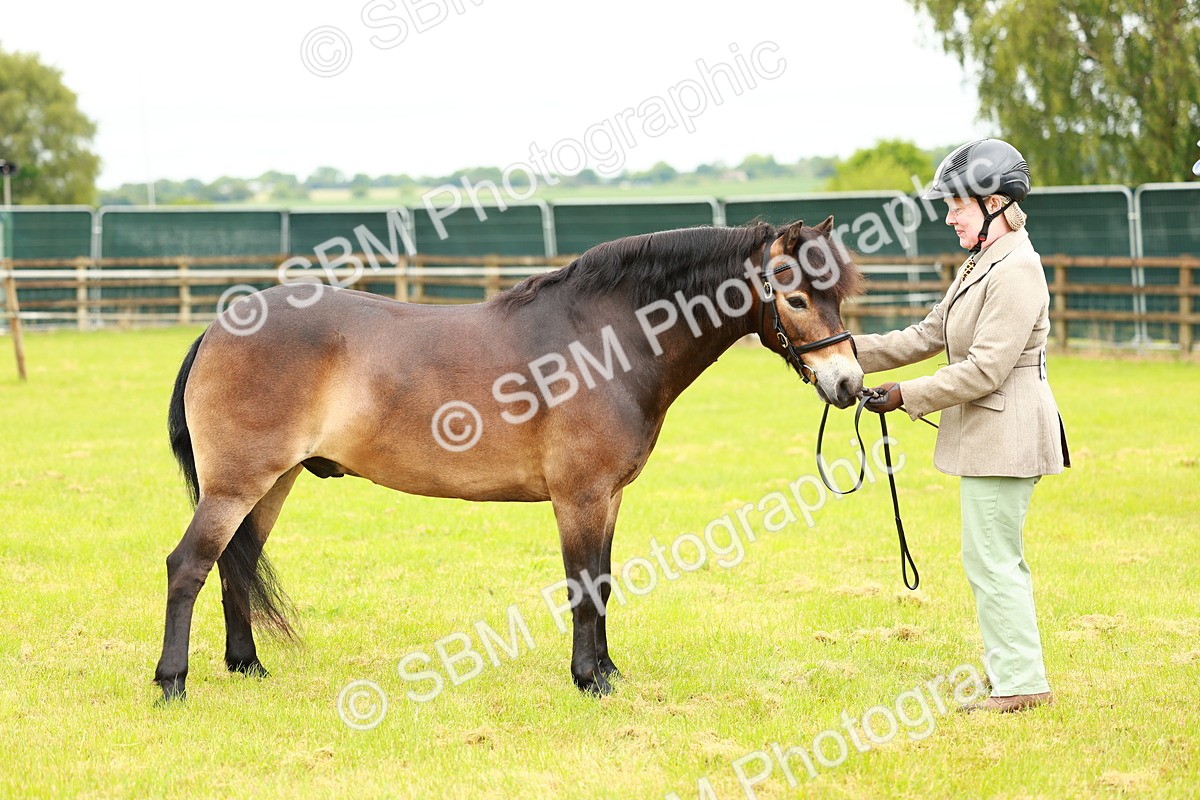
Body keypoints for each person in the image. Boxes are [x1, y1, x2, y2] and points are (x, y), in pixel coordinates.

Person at [854, 138, 1070, 713]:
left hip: (1008, 434)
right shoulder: (982, 261)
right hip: (990, 434)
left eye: (958, 205)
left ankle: (1021, 685)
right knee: (988, 556)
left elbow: (985, 371)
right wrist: (843, 352)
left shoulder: (1017, 269)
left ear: (995, 204)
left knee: (993, 557)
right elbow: (927, 335)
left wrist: (904, 396)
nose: (948, 216)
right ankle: (1014, 675)